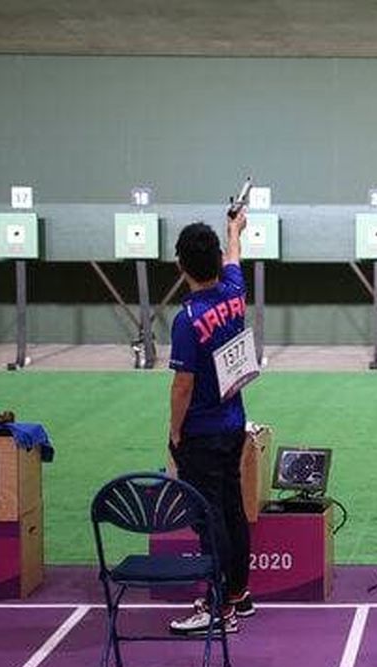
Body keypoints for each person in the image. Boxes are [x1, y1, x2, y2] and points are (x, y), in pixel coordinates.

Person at [166, 208, 255, 635]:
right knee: (233, 509)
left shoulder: (186, 320)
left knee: (210, 516)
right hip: (234, 423)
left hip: (201, 431)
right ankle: (239, 592)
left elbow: (183, 385)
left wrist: (175, 430)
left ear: (181, 265)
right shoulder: (234, 292)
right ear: (217, 259)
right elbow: (235, 259)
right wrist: (234, 230)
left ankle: (219, 606)